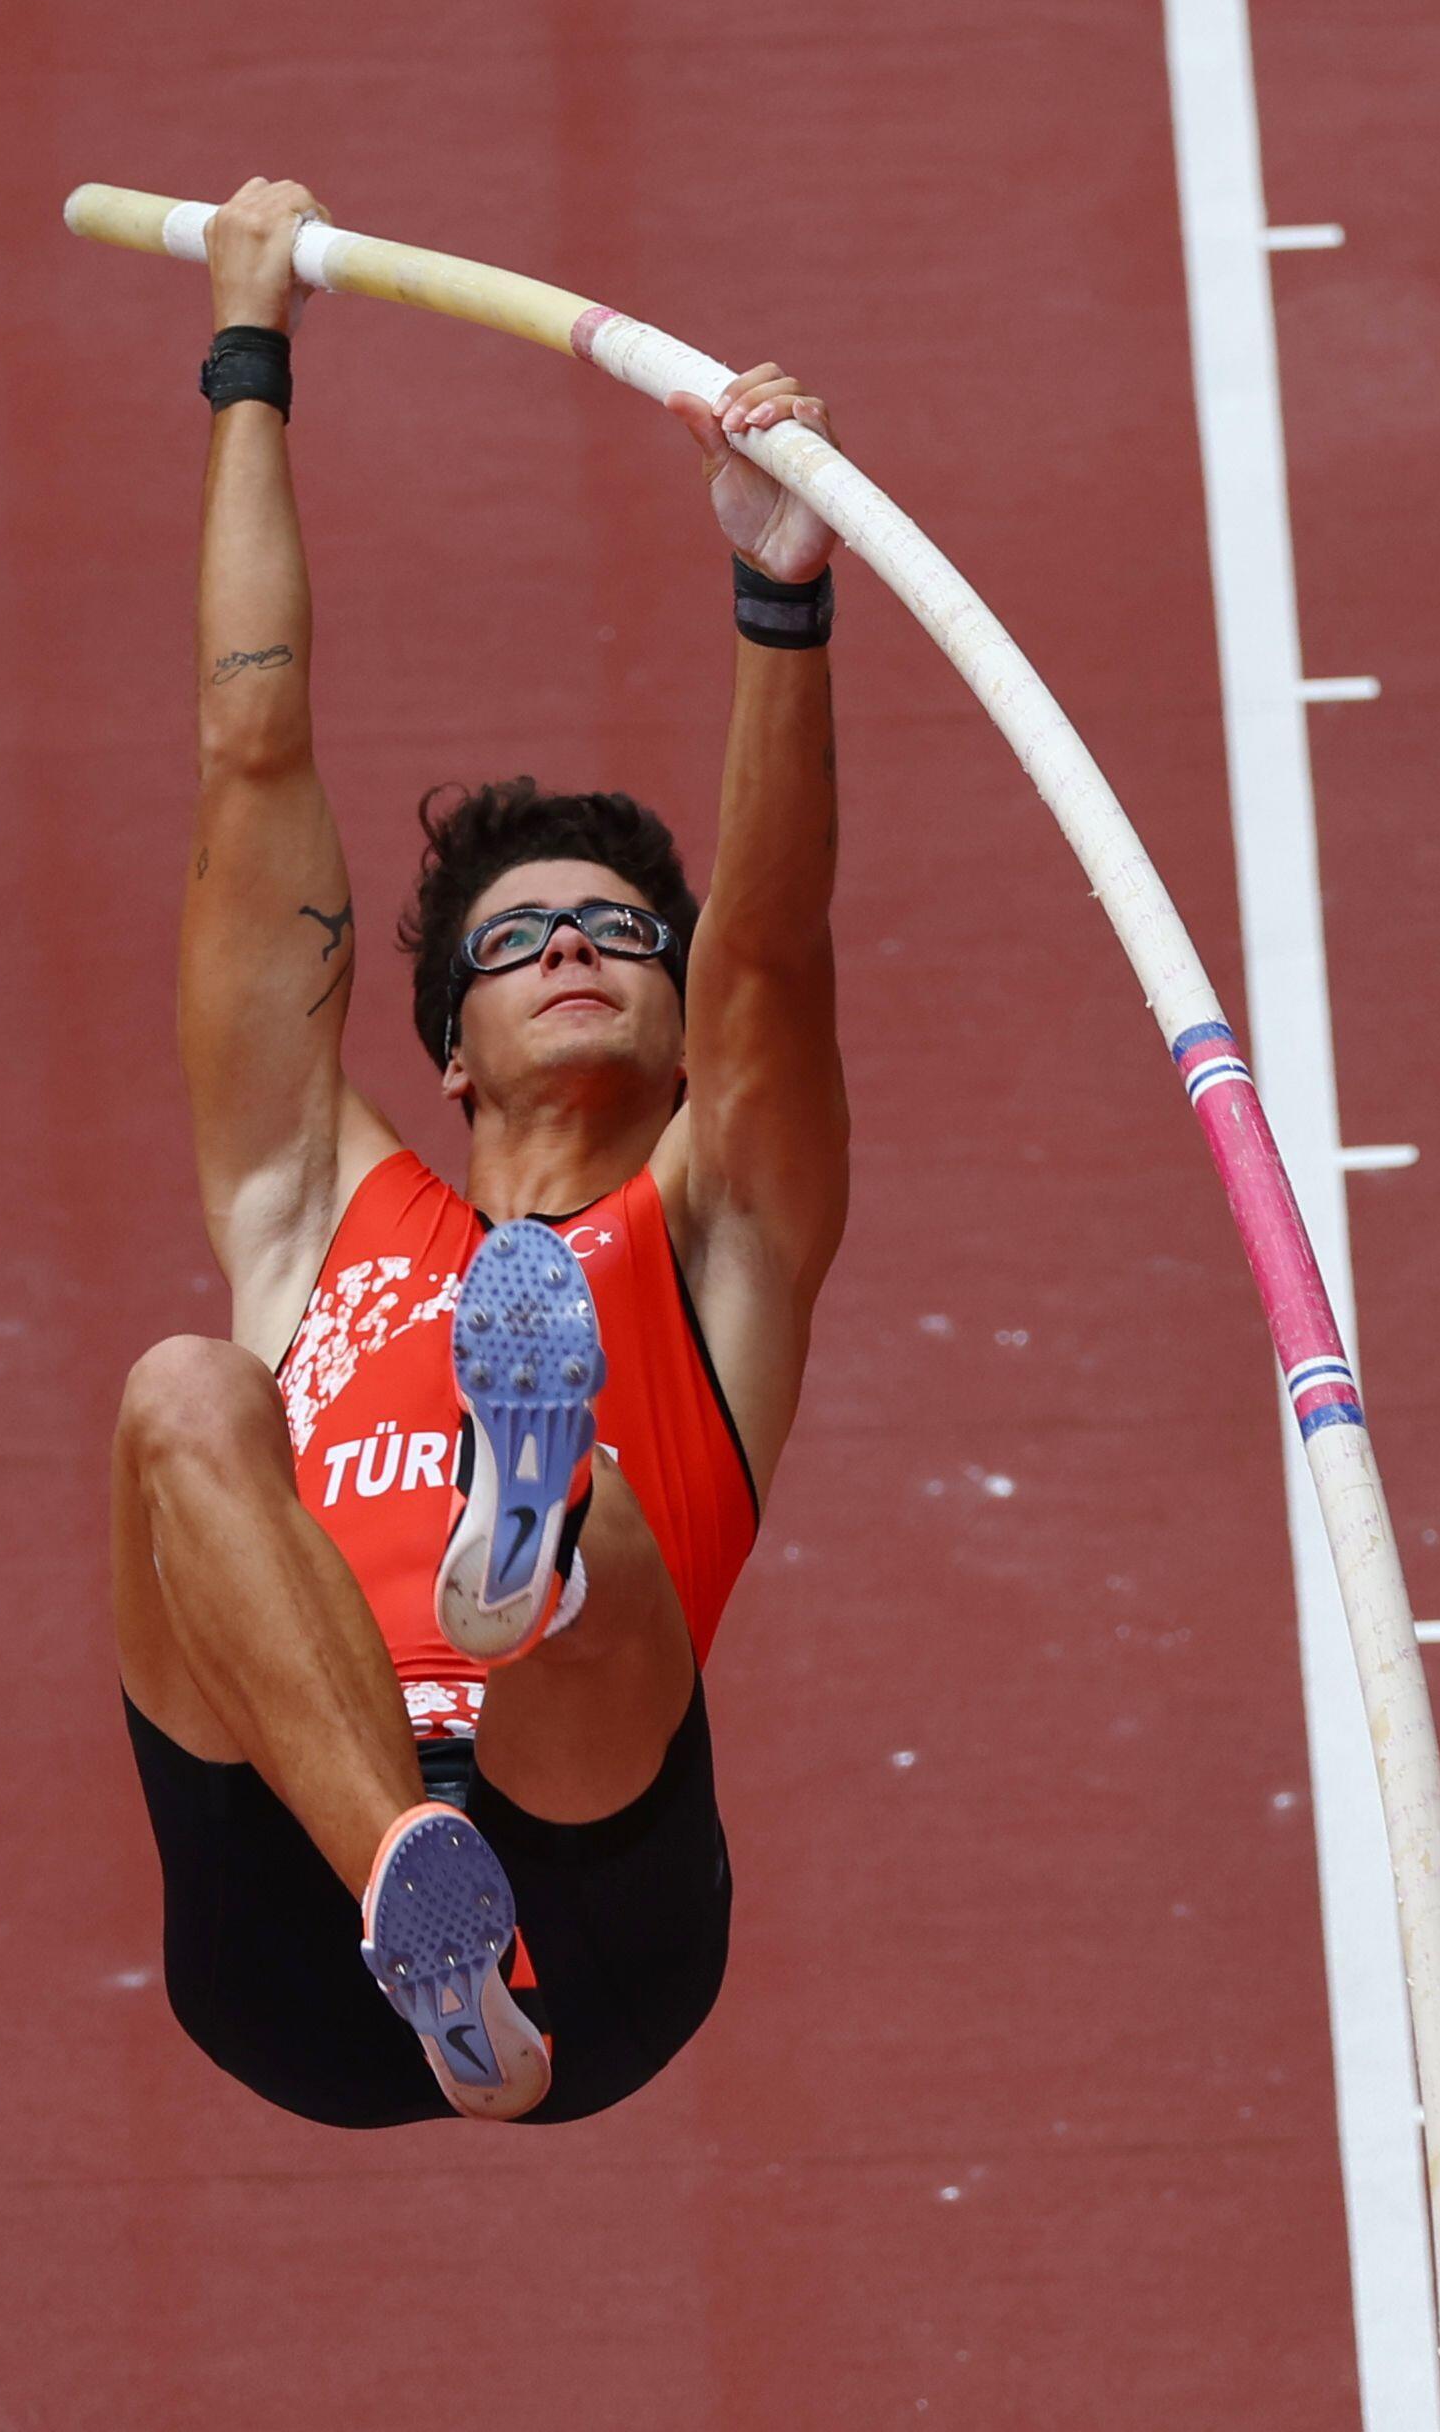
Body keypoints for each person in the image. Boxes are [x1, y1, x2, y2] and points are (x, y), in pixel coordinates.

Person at [110, 177, 852, 2125]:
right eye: (524, 938)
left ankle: (520, 1559)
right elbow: (245, 758)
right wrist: (249, 360)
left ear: (680, 1022)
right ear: (445, 1039)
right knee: (186, 1394)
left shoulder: (723, 1240)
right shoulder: (315, 1208)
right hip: (299, 1905)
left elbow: (775, 956)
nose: (581, 948)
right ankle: (403, 1888)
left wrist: (781, 587)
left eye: (622, 931)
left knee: (597, 1514)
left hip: (593, 1914)